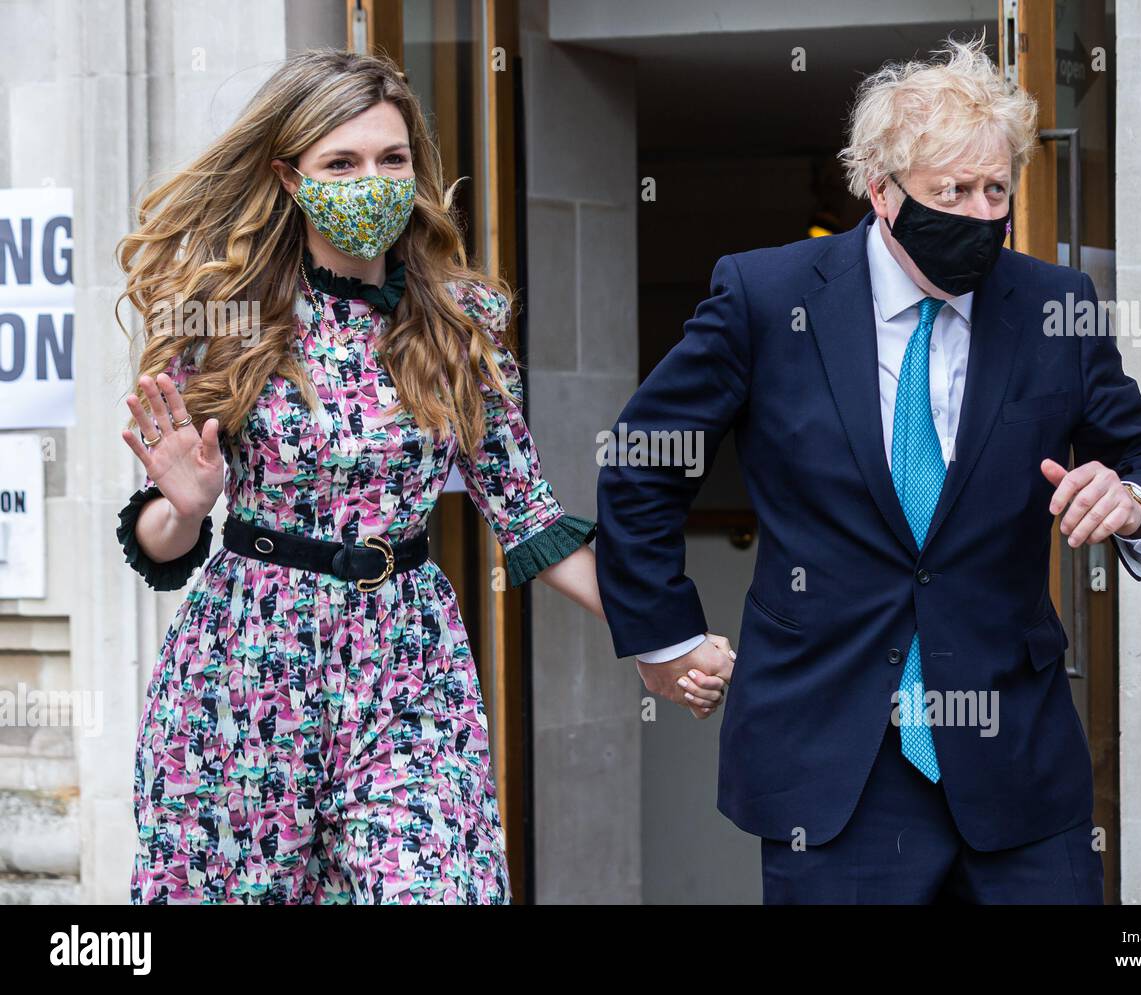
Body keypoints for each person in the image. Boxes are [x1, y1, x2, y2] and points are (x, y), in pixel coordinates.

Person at [595, 36, 1141, 904]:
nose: (980, 212)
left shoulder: (1053, 306)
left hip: (1018, 765)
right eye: (951, 190)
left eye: (997, 190)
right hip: (832, 765)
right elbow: (643, 465)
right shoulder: (767, 299)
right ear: (881, 191)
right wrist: (666, 639)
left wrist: (1133, 498)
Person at [114, 49, 727, 905]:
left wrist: (664, 638)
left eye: (391, 158)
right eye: (342, 162)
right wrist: (187, 507)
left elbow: (532, 520)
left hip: (408, 664)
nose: (371, 178)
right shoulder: (231, 317)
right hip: (246, 665)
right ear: (292, 178)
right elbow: (154, 534)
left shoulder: (460, 323)